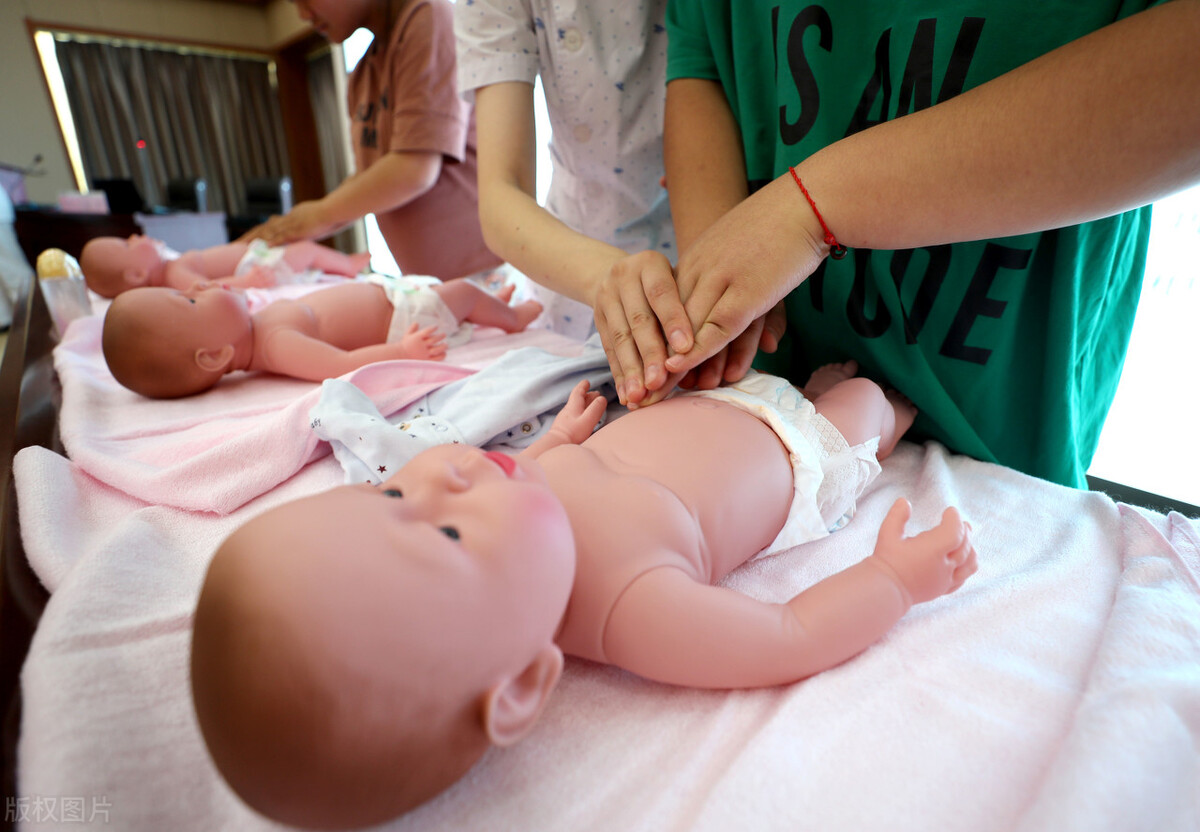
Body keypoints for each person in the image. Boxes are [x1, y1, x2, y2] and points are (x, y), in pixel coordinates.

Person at [190, 367, 977, 829]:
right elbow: (790, 633)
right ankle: (885, 416)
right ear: (525, 684)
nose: (449, 475)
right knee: (864, 399)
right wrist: (893, 581)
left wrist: (559, 440)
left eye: (393, 495)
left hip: (716, 394)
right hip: (801, 449)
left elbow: (532, 467)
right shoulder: (634, 608)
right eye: (449, 535)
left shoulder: (517, 504)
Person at [598, 0, 1200, 488]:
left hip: (988, 429)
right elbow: (701, 53)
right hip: (771, 387)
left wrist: (807, 209)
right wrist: (717, 274)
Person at [240, 0, 503, 282]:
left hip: (487, 275)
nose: (303, 15)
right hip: (432, 280)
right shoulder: (364, 72)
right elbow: (371, 176)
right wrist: (298, 224)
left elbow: (415, 169)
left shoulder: (429, 17)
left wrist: (316, 216)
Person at [101, 276, 541, 398]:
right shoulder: (277, 345)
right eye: (191, 301)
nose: (199, 286)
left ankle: (489, 306)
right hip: (404, 317)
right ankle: (512, 318)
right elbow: (339, 365)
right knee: (460, 293)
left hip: (396, 296)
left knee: (457, 292)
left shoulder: (259, 326)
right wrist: (401, 350)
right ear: (214, 355)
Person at [80, 235, 371, 298]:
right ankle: (347, 265)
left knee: (303, 254)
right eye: (126, 245)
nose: (134, 237)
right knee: (306, 250)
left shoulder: (171, 265)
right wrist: (248, 282)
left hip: (255, 258)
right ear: (136, 274)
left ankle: (341, 266)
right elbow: (207, 289)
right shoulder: (173, 274)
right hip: (254, 266)